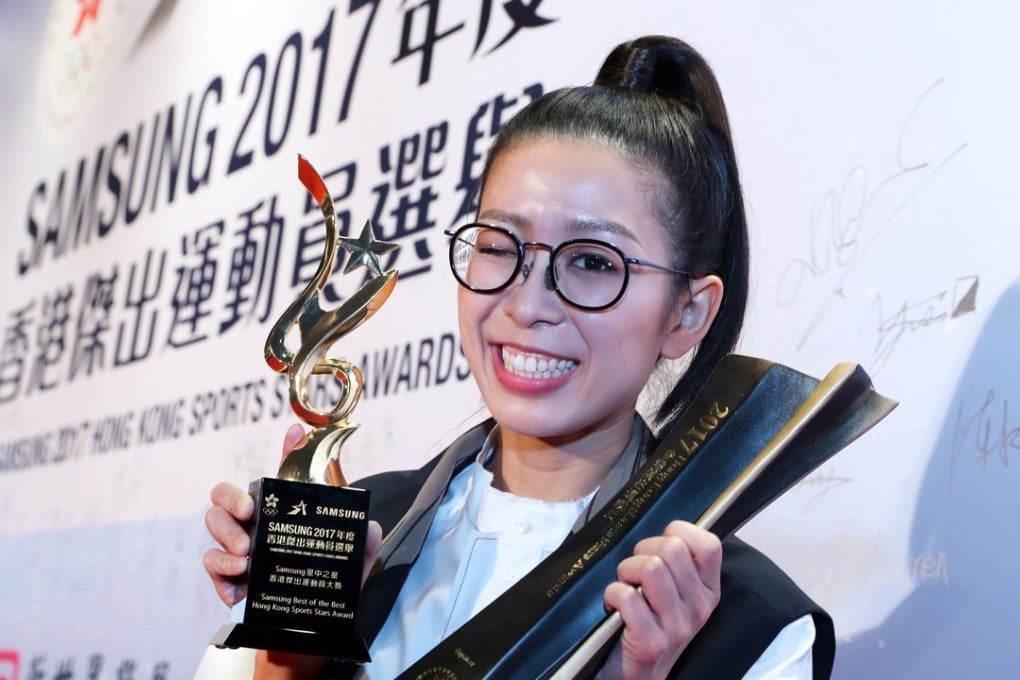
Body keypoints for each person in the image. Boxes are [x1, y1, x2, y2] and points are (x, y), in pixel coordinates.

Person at [204, 35, 836, 679]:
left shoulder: (754, 629)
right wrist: (291, 655)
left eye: (593, 262)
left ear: (688, 313)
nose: (527, 302)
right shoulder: (357, 537)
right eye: (501, 245)